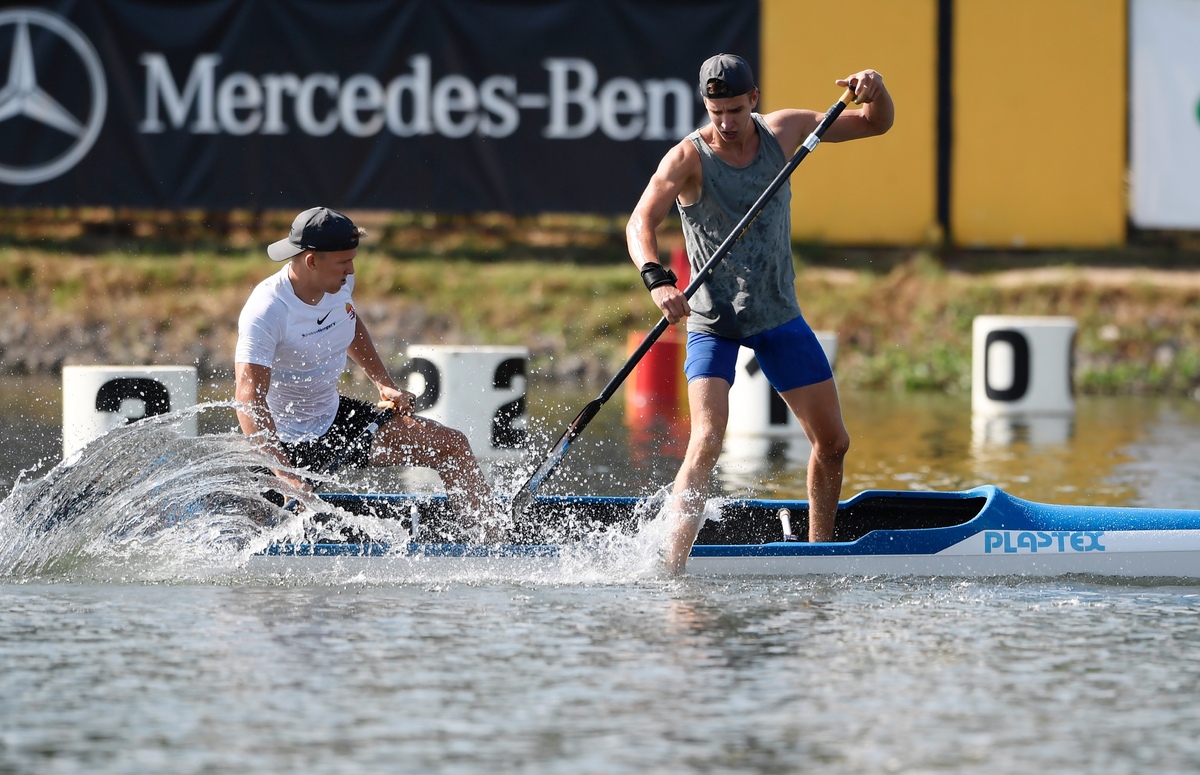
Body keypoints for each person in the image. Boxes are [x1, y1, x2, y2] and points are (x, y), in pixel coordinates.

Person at [626, 54, 894, 573]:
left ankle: (819, 557)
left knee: (834, 443)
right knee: (705, 439)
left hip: (776, 316)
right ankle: (670, 573)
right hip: (713, 321)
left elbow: (875, 123)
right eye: (714, 110)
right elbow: (641, 220)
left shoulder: (786, 131)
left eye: (734, 109)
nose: (724, 122)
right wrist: (658, 281)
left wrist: (876, 90)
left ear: (754, 99)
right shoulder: (688, 157)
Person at [234, 206, 495, 535]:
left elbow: (349, 321)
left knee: (451, 445)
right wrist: (284, 473)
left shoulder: (338, 282)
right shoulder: (267, 310)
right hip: (281, 444)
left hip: (336, 424)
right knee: (252, 539)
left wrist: (383, 383)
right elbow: (248, 401)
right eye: (344, 261)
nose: (351, 269)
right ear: (312, 260)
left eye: (352, 259)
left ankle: (493, 539)